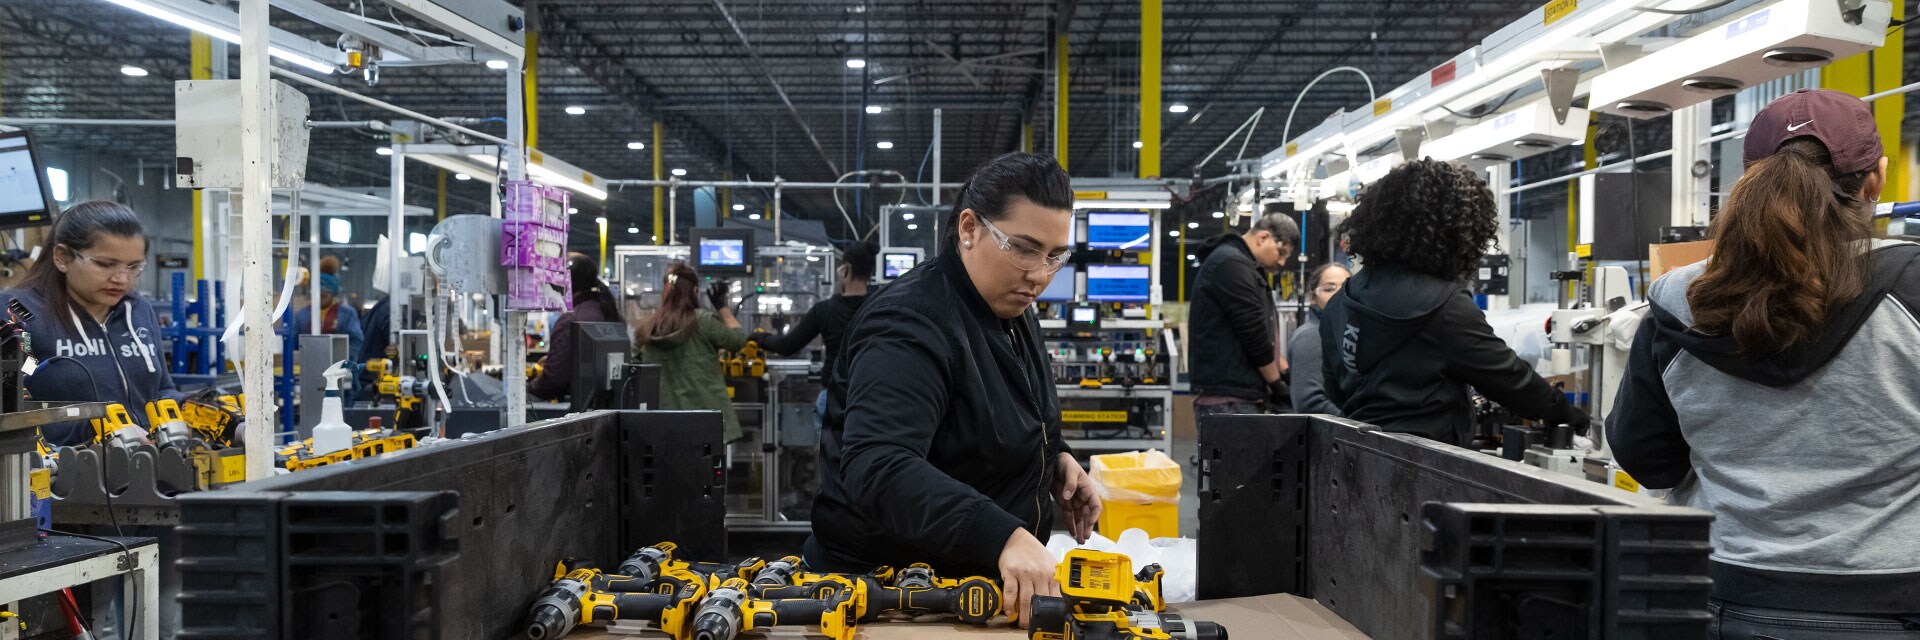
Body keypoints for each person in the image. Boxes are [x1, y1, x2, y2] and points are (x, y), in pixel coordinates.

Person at [1608, 89, 1920, 633]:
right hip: (1884, 602)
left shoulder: (1677, 302)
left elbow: (1646, 457)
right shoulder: (1913, 291)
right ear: (1876, 179)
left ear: (1752, 179)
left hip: (1719, 595)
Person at [806, 152, 1100, 629]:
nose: (1040, 275)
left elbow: (999, 407)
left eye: (1054, 256)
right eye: (1024, 248)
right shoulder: (911, 321)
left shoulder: (1009, 308)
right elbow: (878, 464)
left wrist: (1054, 457)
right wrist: (1002, 535)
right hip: (894, 600)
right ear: (969, 228)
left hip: (967, 589)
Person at [1321, 158, 1587, 445]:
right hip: (1427, 464)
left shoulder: (1340, 302)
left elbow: (1335, 390)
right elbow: (1510, 380)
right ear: (1454, 232)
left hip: (1357, 455)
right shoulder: (1444, 306)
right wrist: (1568, 414)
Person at [0, 201, 177, 446]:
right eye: (105, 264)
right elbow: (9, 410)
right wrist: (96, 430)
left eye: (133, 266)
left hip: (152, 469)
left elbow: (163, 390)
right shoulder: (18, 314)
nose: (121, 279)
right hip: (62, 475)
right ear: (62, 257)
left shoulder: (137, 310)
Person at [1188, 206, 1298, 416]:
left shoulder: (1242, 265)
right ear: (1263, 237)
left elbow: (1264, 334)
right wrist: (1277, 384)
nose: (1282, 262)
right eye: (1281, 252)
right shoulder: (1231, 264)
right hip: (1229, 401)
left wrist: (1285, 371)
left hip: (1237, 397)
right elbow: (1253, 333)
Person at [634, 261, 749, 442]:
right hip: (707, 421)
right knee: (708, 469)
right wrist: (721, 306)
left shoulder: (646, 330)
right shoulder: (702, 321)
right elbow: (738, 340)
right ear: (694, 291)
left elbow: (631, 368)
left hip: (664, 424)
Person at [755, 240, 876, 367]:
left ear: (846, 269)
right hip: (868, 385)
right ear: (869, 273)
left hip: (834, 385)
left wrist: (758, 337)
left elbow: (787, 346)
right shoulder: (879, 309)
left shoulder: (825, 310)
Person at [529, 254, 626, 401]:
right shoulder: (611, 313)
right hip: (608, 406)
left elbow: (553, 381)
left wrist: (527, 388)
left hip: (577, 411)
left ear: (566, 284)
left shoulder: (571, 320)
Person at [1289, 263, 1349, 416]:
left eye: (1345, 288)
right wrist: (1357, 428)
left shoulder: (1346, 334)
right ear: (1312, 297)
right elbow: (1310, 403)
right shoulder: (1311, 336)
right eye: (1329, 289)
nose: (1338, 294)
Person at [285, 256, 364, 364]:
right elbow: (292, 343)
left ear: (332, 294)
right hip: (308, 366)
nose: (319, 300)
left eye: (323, 296)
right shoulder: (301, 315)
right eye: (316, 295)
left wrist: (342, 362)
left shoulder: (346, 314)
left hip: (338, 369)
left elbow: (356, 341)